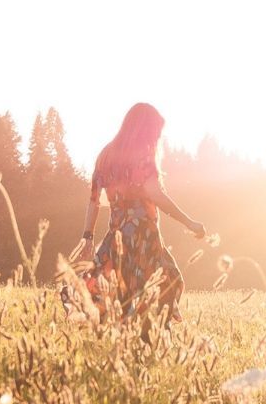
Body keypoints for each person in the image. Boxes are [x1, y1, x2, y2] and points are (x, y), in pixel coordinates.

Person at [65, 103, 207, 323]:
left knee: (118, 287)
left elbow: (93, 200)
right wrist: (189, 222)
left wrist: (88, 236)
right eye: (156, 134)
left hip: (116, 234)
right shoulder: (141, 156)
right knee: (166, 282)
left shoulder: (105, 155)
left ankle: (130, 334)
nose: (157, 140)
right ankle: (147, 334)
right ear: (146, 130)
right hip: (143, 236)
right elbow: (156, 195)